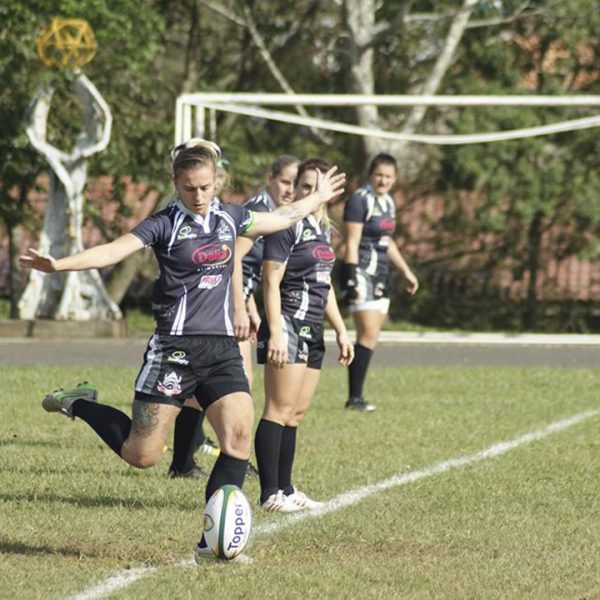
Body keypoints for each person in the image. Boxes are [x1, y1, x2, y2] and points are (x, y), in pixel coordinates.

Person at [19, 139, 346, 560]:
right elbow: (115, 250)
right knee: (142, 454)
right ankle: (79, 402)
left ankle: (210, 543)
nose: (198, 195)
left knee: (238, 438)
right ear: (176, 183)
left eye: (206, 187)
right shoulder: (164, 224)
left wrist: (317, 198)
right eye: (190, 187)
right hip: (174, 349)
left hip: (222, 350)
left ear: (216, 183)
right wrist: (59, 265)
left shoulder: (231, 217)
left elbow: (281, 217)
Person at [250, 158, 354, 512]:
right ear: (295, 190)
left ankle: (287, 488)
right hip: (289, 324)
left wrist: (341, 330)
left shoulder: (324, 230)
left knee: (295, 413)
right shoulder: (285, 223)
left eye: (316, 187)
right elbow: (271, 282)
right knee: (277, 409)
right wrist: (276, 332)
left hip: (314, 329)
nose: (310, 193)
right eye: (304, 186)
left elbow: (324, 288)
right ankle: (269, 494)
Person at [339, 153, 419, 412]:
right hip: (362, 271)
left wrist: (406, 271)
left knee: (372, 336)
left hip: (382, 274)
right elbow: (351, 241)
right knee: (368, 333)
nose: (383, 180)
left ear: (395, 179)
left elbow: (388, 241)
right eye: (378, 175)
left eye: (388, 176)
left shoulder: (388, 203)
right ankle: (354, 397)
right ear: (370, 175)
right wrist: (351, 278)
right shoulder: (360, 200)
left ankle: (357, 397)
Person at [234, 155, 300, 388]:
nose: (290, 190)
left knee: (229, 384)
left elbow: (247, 270)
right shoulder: (258, 211)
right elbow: (231, 259)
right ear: (269, 178)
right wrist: (239, 308)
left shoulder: (277, 215)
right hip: (223, 301)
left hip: (238, 298)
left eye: (295, 183)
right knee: (238, 383)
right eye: (285, 182)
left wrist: (251, 309)